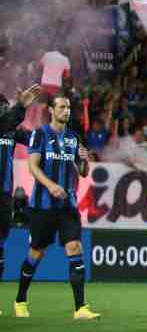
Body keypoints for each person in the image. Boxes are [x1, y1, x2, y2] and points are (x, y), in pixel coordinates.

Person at [13, 93, 97, 319]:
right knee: (36, 252)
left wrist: (84, 159)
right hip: (43, 206)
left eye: (68, 107)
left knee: (75, 248)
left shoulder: (73, 137)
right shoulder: (40, 135)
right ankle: (20, 299)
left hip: (68, 205)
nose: (66, 111)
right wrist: (50, 186)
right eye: (61, 107)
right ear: (51, 110)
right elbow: (33, 166)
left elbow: (83, 172)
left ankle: (80, 308)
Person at [0, 84, 41, 304]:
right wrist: (20, 108)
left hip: (4, 197)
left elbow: (36, 139)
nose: (4, 111)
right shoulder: (6, 124)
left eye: (5, 107)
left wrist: (65, 142)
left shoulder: (11, 132)